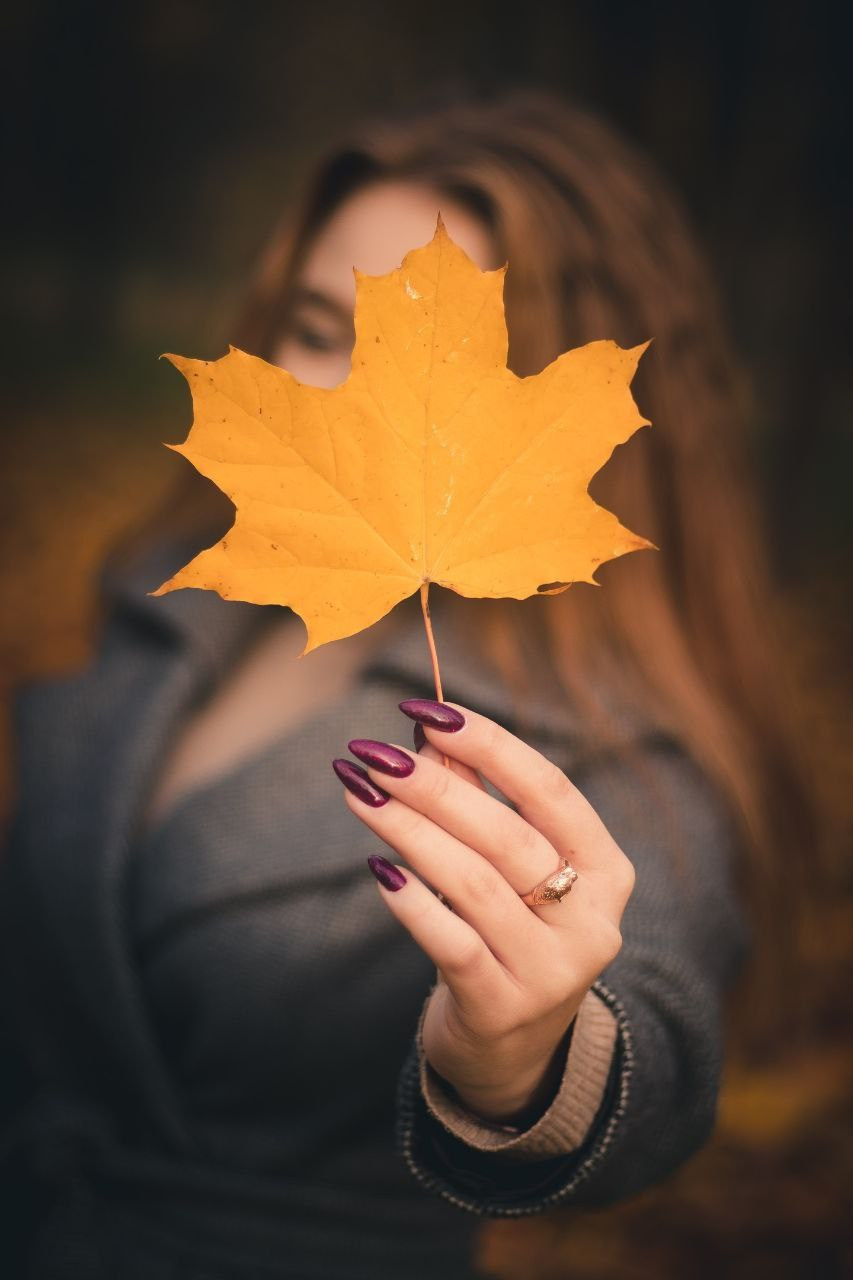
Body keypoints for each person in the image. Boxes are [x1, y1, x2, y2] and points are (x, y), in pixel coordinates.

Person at [0, 89, 814, 1279]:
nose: (346, 407)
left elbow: (654, 1033)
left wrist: (523, 1059)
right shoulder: (177, 604)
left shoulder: (621, 752)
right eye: (321, 326)